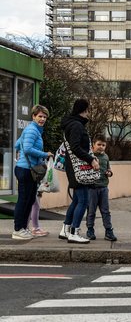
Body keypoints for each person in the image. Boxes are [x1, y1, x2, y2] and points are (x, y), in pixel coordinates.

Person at [59, 99, 100, 244]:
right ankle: (74, 232)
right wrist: (91, 159)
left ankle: (65, 229)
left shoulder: (72, 123)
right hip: (79, 169)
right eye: (89, 109)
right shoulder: (76, 125)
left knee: (76, 200)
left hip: (74, 168)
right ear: (84, 110)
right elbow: (76, 147)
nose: (90, 113)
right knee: (83, 201)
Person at [12, 105, 53, 240]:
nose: (42, 119)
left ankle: (23, 228)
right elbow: (28, 149)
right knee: (24, 200)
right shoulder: (32, 130)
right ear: (33, 116)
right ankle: (18, 229)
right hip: (25, 170)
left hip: (28, 170)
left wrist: (21, 153)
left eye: (44, 117)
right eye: (40, 116)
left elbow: (17, 145)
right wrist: (44, 154)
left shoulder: (32, 130)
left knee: (29, 200)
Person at [85, 135, 117, 242]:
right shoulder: (89, 156)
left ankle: (108, 231)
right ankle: (90, 230)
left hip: (103, 187)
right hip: (92, 188)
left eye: (103, 145)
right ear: (93, 145)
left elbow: (109, 169)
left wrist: (109, 173)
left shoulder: (106, 157)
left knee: (105, 211)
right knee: (91, 211)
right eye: (99, 144)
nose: (101, 147)